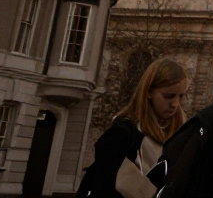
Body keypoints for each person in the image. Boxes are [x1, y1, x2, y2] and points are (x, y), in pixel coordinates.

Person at [77, 58, 189, 198]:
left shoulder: (183, 137)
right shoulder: (121, 135)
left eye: (181, 96)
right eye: (169, 96)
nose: (175, 104)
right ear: (149, 92)